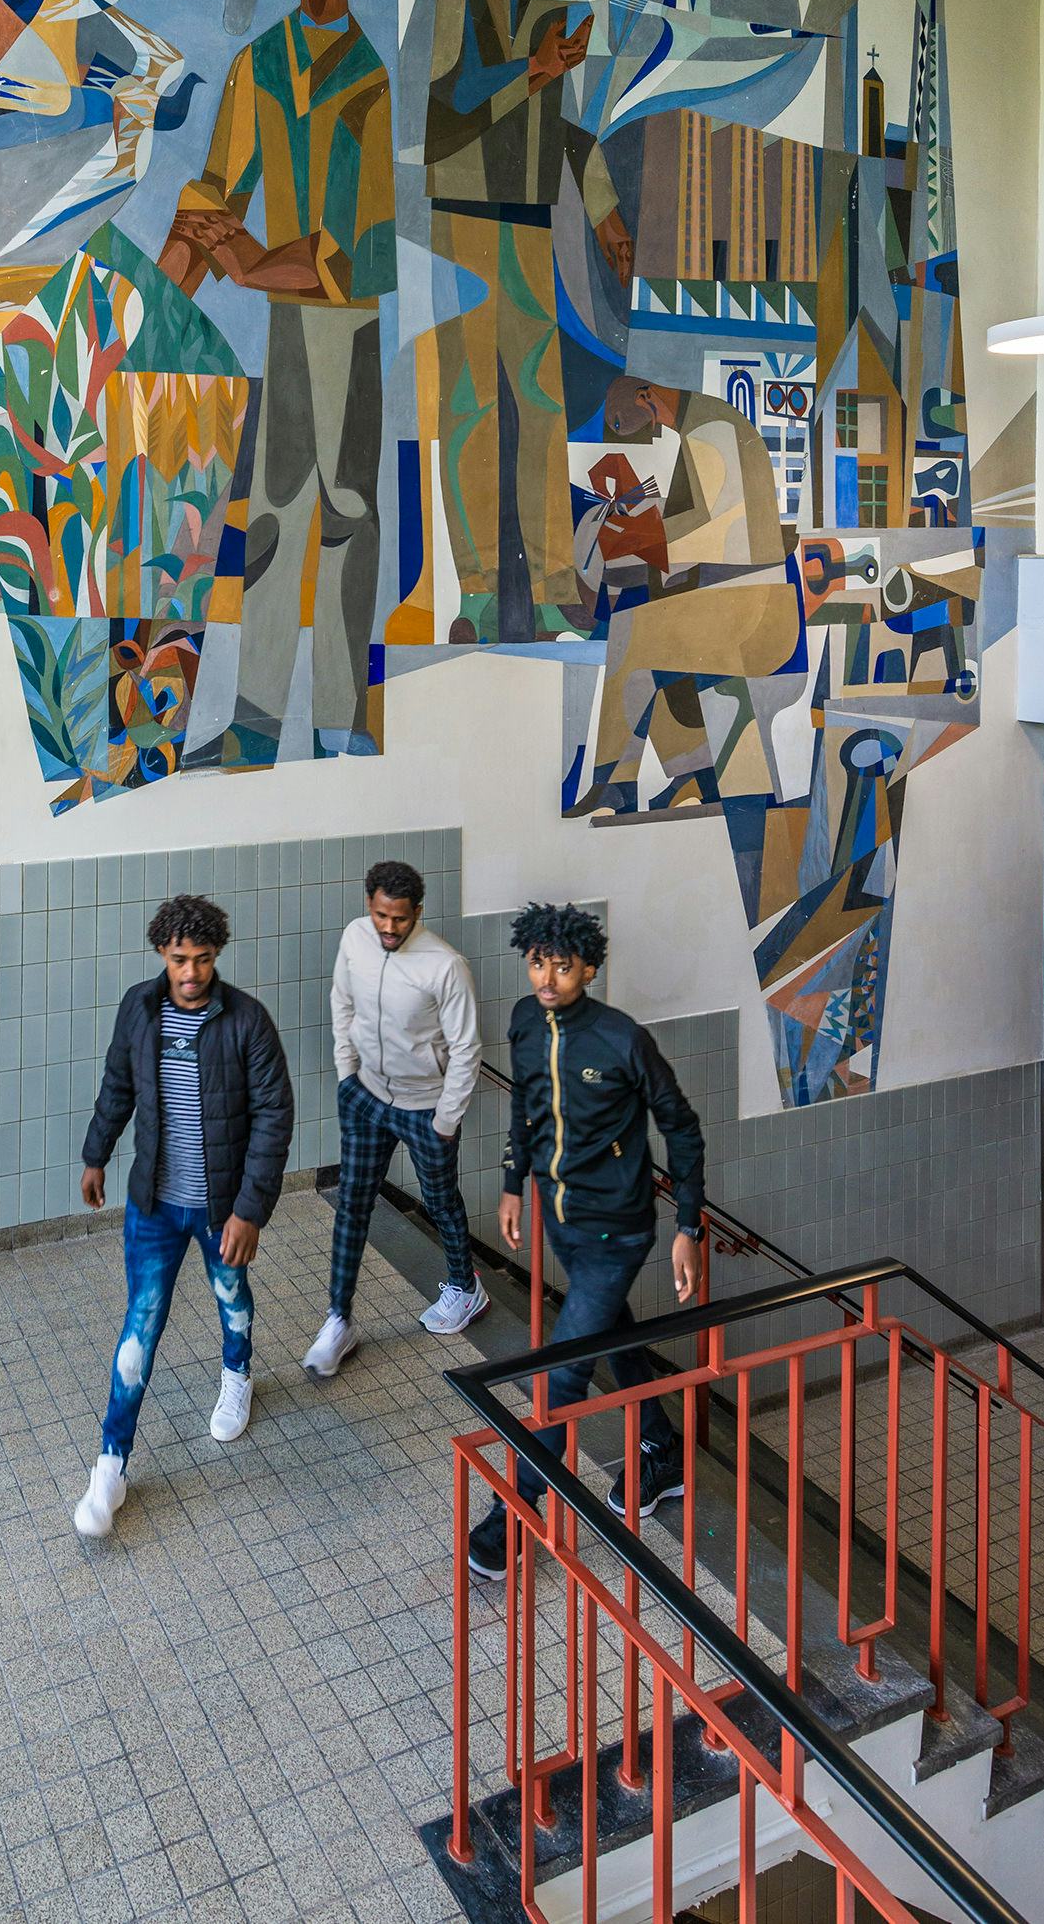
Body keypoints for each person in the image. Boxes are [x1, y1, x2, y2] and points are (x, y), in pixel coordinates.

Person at [160, 0, 394, 765]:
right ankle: (256, 720)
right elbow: (216, 190)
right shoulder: (261, 62)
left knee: (348, 514)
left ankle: (342, 718)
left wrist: (251, 265)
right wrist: (160, 301)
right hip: (292, 324)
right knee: (274, 513)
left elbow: (357, 243)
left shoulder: (368, 77)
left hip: (349, 324)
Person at [425, 0, 637, 643]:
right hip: (462, 211)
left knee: (541, 401)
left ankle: (551, 589)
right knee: (470, 404)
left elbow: (566, 123)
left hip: (529, 217)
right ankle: (479, 592)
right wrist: (535, 69)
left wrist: (604, 207)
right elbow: (447, 103)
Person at [464, 902, 707, 1580]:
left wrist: (688, 1226)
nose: (547, 978)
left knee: (565, 1369)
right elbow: (525, 1107)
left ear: (590, 970)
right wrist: (512, 1183)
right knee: (612, 1337)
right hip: (560, 1219)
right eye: (538, 963)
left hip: (618, 1231)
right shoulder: (524, 1021)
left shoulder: (622, 1039)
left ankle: (515, 1511)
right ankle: (661, 1449)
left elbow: (682, 1127)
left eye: (563, 967)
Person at [72, 893, 296, 1538]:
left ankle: (237, 1373)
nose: (191, 972)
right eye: (179, 960)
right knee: (140, 1325)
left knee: (231, 1293)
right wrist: (96, 1155)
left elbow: (274, 1117)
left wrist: (249, 1211)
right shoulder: (139, 1010)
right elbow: (117, 1085)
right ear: (161, 954)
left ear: (216, 955)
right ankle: (110, 1465)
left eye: (201, 959)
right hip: (154, 1204)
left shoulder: (247, 1021)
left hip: (221, 1205)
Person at [578, 374, 802, 815]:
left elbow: (713, 529)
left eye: (626, 423)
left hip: (749, 605)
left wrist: (637, 535)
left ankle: (614, 781)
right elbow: (700, 519)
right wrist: (645, 528)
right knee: (652, 643)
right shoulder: (706, 426)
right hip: (731, 593)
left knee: (629, 640)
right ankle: (694, 775)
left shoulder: (712, 430)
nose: (652, 432)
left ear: (646, 396)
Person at [305, 858, 487, 1379]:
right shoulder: (355, 938)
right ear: (370, 904)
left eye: (400, 918)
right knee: (352, 1204)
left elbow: (467, 1048)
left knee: (441, 1201)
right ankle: (338, 1320)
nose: (389, 927)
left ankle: (465, 1288)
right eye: (382, 915)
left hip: (425, 1107)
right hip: (365, 1097)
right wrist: (347, 1073)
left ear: (418, 912)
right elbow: (342, 1002)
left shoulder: (444, 966)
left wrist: (445, 1120)